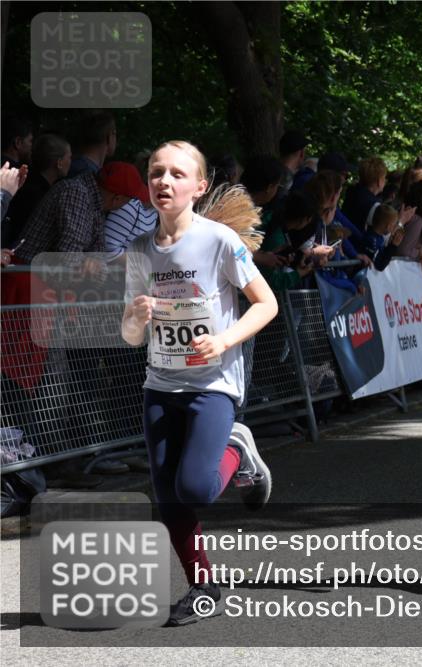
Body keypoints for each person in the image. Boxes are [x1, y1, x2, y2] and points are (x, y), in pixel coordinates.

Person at [120, 140, 278, 626]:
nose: (163, 181)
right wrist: (135, 315)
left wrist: (225, 339)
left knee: (196, 489)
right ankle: (203, 587)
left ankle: (237, 447)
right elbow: (129, 338)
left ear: (199, 186)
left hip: (213, 383)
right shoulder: (140, 249)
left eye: (176, 174)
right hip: (160, 384)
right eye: (156, 172)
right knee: (168, 500)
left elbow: (265, 304)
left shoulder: (218, 241)